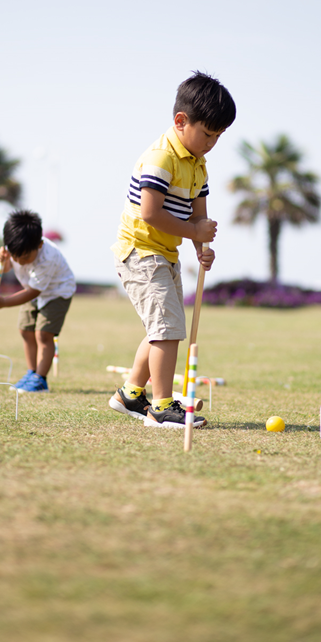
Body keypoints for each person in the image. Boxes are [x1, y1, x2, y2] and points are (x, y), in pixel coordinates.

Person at [110, 71, 236, 428]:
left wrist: (201, 245)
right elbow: (150, 214)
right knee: (167, 329)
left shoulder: (198, 164)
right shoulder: (161, 158)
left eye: (218, 136)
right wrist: (193, 230)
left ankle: (131, 394)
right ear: (181, 121)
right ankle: (162, 407)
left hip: (165, 253)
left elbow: (199, 216)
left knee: (165, 325)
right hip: (139, 251)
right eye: (208, 133)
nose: (212, 143)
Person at [0, 210, 76, 392]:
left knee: (43, 334)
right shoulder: (15, 249)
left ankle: (40, 380)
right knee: (25, 329)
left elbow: (33, 292)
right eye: (15, 255)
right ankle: (31, 373)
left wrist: (3, 302)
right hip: (31, 288)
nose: (20, 260)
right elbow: (5, 268)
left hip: (57, 292)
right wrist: (1, 262)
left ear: (40, 245)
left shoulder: (47, 258)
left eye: (25, 257)